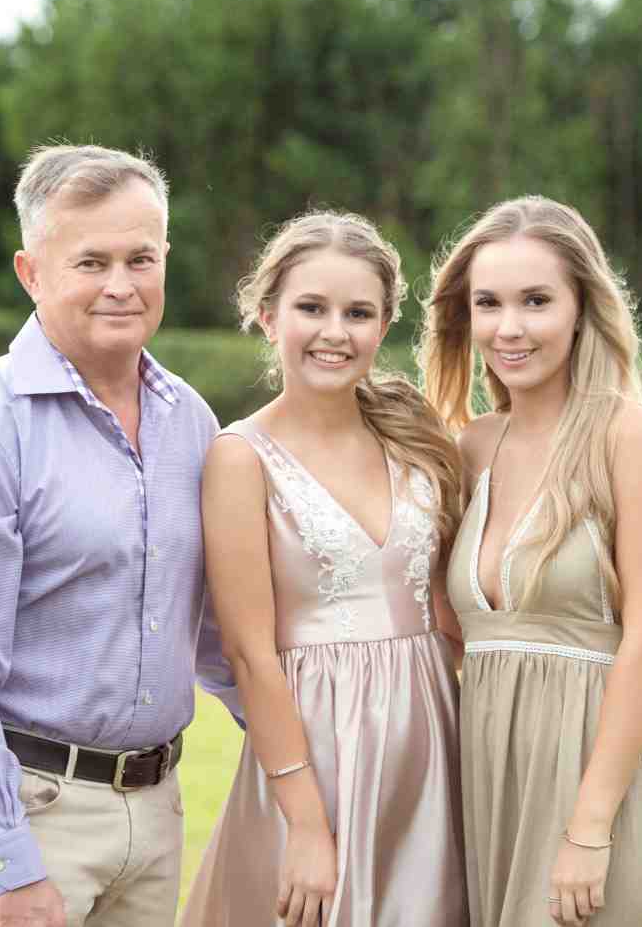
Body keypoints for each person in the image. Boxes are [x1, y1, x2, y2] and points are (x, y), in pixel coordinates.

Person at [0, 144, 243, 927]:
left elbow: (219, 630)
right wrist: (12, 867)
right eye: (91, 261)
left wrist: (306, 757)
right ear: (31, 272)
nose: (121, 285)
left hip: (156, 816)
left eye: (141, 258)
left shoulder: (191, 421)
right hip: (27, 816)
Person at [419, 196, 642, 927]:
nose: (509, 327)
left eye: (536, 301)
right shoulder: (470, 448)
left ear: (582, 308)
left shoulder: (628, 435)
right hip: (493, 789)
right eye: (489, 303)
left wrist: (589, 826)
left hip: (602, 793)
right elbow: (443, 627)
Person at [180, 212, 470, 927]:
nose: (335, 332)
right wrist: (307, 824)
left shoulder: (415, 434)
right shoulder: (239, 458)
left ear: (383, 325)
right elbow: (249, 653)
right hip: (318, 750)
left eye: (358, 313)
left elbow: (447, 607)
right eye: (313, 308)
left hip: (431, 744)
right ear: (268, 315)